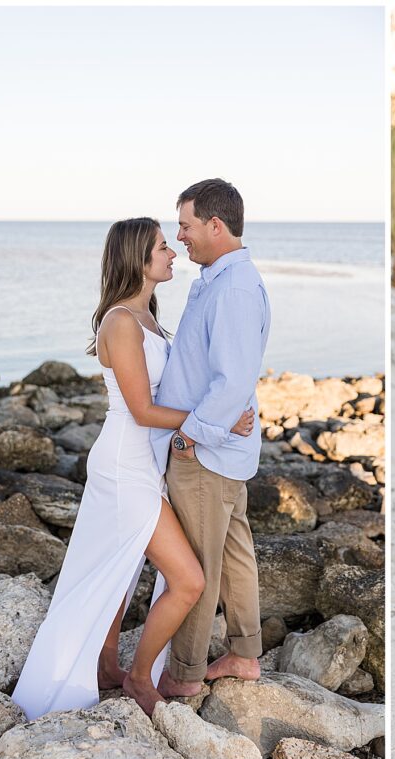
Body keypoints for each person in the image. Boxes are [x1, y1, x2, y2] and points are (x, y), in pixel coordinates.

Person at [12, 217, 255, 719]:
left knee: (119, 568)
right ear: (138, 259)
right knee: (187, 579)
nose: (173, 253)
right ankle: (141, 678)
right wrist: (219, 421)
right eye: (163, 247)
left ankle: (105, 665)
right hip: (124, 465)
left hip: (146, 462)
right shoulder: (120, 322)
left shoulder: (148, 318)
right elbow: (143, 410)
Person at [152, 178, 271, 699]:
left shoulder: (235, 288)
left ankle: (184, 674)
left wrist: (190, 438)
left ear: (215, 226)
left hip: (206, 451)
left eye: (186, 225)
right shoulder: (220, 282)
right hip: (222, 447)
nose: (180, 237)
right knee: (233, 551)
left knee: (198, 564)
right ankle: (244, 655)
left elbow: (232, 380)